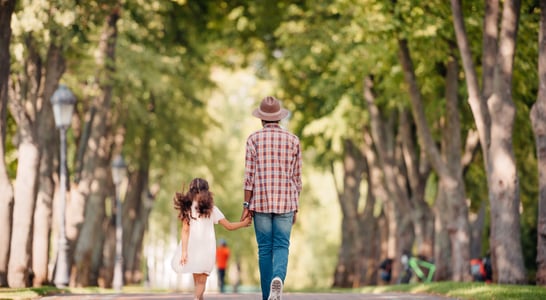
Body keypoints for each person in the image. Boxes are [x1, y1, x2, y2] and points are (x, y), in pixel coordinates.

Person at [240, 96, 303, 300]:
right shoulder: (293, 140)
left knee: (265, 249)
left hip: (260, 202)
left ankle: (268, 295)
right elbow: (297, 178)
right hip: (286, 202)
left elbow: (249, 176)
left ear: (261, 119)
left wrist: (245, 205)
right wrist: (296, 206)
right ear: (279, 119)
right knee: (282, 245)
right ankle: (278, 278)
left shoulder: (253, 139)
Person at [172, 178, 251, 300]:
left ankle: (197, 298)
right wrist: (244, 223)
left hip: (192, 248)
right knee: (202, 283)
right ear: (206, 192)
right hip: (206, 250)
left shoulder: (188, 209)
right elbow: (229, 226)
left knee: (197, 283)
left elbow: (185, 230)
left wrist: (184, 252)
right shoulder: (211, 209)